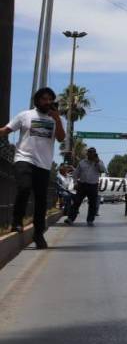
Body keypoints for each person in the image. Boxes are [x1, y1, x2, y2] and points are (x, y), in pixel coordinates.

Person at [1, 87, 66, 249]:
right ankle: (17, 222)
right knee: (24, 188)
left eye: (50, 99)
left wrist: (57, 119)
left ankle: (38, 233)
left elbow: (61, 138)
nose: (48, 102)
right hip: (23, 158)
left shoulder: (55, 119)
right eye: (44, 99)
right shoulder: (25, 115)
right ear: (37, 101)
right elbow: (6, 130)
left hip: (43, 164)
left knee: (41, 200)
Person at [66, 148, 105, 226]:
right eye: (90, 153)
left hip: (93, 185)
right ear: (87, 154)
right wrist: (75, 182)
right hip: (82, 185)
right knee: (77, 202)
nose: (91, 155)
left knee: (92, 204)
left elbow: (103, 170)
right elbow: (75, 174)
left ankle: (90, 220)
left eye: (93, 153)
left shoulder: (99, 162)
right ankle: (70, 219)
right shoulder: (82, 162)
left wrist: (97, 161)